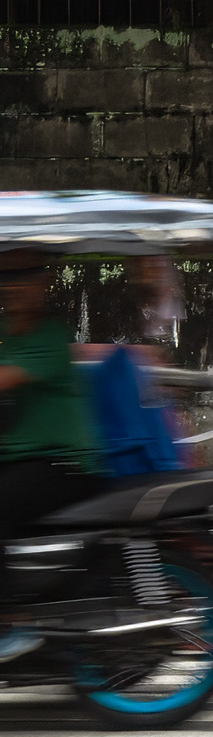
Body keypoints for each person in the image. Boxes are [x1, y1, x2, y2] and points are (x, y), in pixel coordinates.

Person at [0, 250, 106, 661]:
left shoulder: (48, 336)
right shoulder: (8, 330)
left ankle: (15, 622)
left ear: (42, 286)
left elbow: (6, 378)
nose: (15, 291)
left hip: (65, 464)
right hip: (24, 458)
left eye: (25, 282)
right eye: (9, 282)